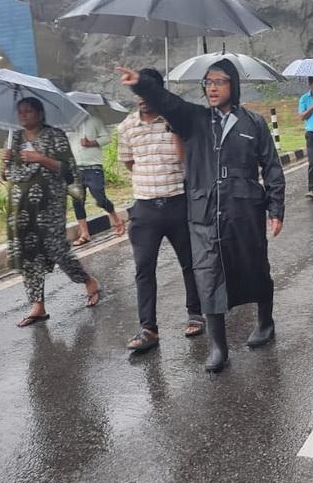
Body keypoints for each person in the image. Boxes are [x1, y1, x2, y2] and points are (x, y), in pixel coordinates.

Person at [116, 60, 285, 373]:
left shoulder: (254, 123)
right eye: (208, 82)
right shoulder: (193, 119)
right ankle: (219, 347)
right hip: (204, 212)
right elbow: (168, 102)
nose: (212, 87)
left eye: (219, 81)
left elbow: (271, 166)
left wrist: (276, 207)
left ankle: (265, 321)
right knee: (208, 275)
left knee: (256, 266)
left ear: (233, 85)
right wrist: (141, 84)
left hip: (245, 209)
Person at [117, 68, 206, 352]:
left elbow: (185, 162)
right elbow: (129, 163)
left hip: (178, 202)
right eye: (139, 92)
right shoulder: (127, 127)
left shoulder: (176, 122)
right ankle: (148, 329)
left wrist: (176, 131)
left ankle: (195, 313)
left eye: (148, 90)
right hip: (144, 209)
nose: (143, 97)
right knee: (144, 269)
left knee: (189, 263)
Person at [1, 97, 102, 327]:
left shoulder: (55, 135)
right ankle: (38, 304)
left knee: (56, 249)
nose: (24, 115)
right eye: (21, 112)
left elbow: (68, 170)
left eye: (28, 111)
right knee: (28, 254)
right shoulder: (14, 138)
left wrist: (41, 158)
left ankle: (88, 281)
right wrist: (5, 163)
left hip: (49, 205)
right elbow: (6, 175)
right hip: (21, 206)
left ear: (40, 113)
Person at [66, 105, 125, 245]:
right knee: (77, 202)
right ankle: (84, 233)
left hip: (93, 168)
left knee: (100, 199)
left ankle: (116, 219)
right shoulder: (68, 124)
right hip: (75, 169)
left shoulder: (94, 120)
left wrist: (91, 143)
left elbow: (107, 138)